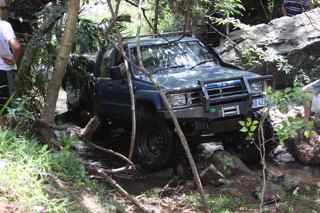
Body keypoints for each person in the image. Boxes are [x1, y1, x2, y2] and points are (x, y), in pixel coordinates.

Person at [0, 0, 21, 104]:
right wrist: (13, 60)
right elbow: (16, 47)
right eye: (2, 8)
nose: (3, 11)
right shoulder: (4, 25)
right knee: (8, 106)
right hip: (4, 70)